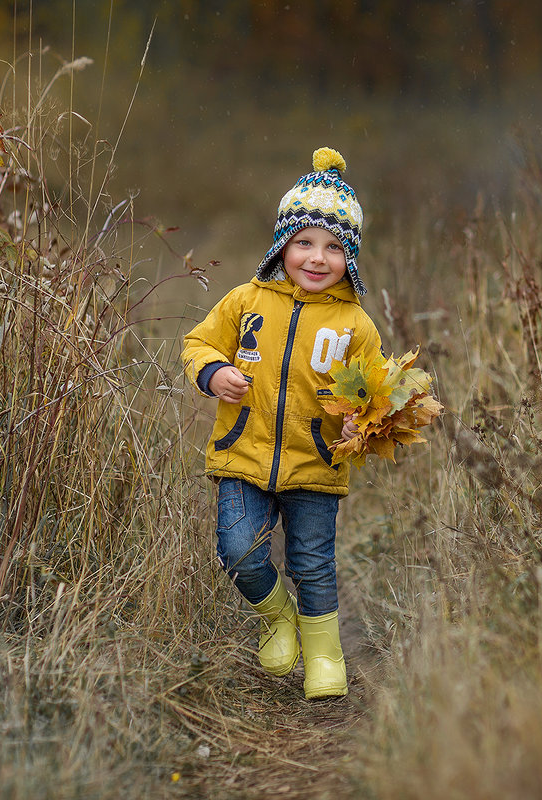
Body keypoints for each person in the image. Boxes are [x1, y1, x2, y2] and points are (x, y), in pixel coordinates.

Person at [182, 147, 382, 700]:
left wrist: (358, 424)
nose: (317, 258)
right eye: (304, 243)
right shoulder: (246, 300)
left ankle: (324, 656)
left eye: (333, 248)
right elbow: (198, 342)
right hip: (241, 452)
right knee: (239, 549)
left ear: (351, 258)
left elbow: (370, 392)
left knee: (312, 563)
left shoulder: (355, 324)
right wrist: (215, 373)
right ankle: (277, 617)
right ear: (282, 245)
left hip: (315, 463)